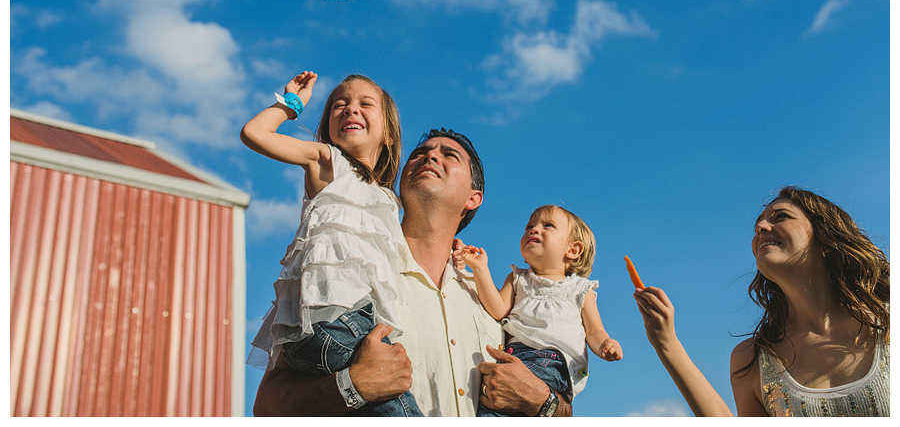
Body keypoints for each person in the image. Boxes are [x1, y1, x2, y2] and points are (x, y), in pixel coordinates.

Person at [252, 128, 575, 416]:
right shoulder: (348, 265)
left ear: (473, 198)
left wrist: (541, 401)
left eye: (449, 155)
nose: (431, 155)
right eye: (421, 153)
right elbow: (266, 404)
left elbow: (563, 406)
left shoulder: (497, 300)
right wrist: (351, 385)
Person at [241, 71, 422, 416]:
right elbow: (254, 133)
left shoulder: (387, 199)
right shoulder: (327, 161)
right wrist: (292, 104)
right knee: (399, 405)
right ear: (327, 128)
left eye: (365, 104)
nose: (351, 109)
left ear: (387, 132)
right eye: (340, 105)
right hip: (338, 321)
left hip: (334, 333)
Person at [634, 186, 890, 417]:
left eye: (781, 217)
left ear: (827, 239)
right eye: (758, 225)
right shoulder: (753, 360)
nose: (761, 228)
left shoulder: (889, 325)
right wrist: (666, 343)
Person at [457, 204, 623, 416]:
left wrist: (605, 344)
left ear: (573, 250)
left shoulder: (580, 288)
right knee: (490, 406)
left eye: (548, 225)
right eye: (529, 226)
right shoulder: (518, 278)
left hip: (552, 363)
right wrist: (480, 269)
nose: (533, 230)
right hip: (513, 357)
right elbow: (498, 309)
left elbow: (594, 331)